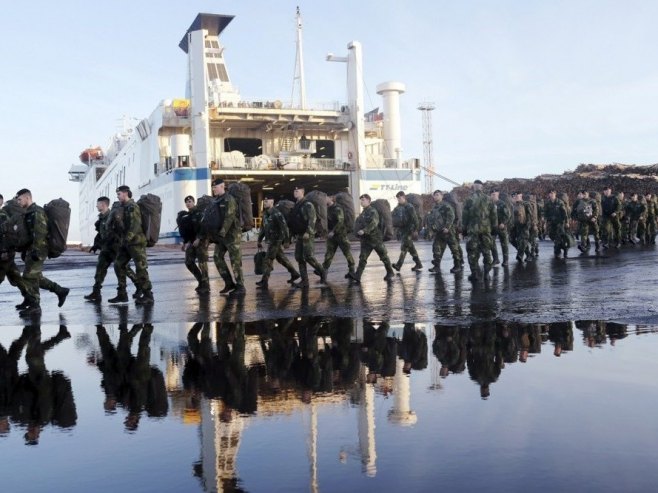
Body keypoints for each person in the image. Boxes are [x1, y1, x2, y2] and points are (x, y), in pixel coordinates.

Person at [14, 189, 69, 316]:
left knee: (29, 276)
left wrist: (36, 251)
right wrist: (25, 250)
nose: (18, 202)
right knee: (36, 277)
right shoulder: (29, 212)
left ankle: (35, 305)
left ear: (28, 198)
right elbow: (29, 234)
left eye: (20, 199)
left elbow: (40, 233)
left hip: (39, 249)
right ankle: (59, 291)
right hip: (32, 248)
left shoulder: (36, 211)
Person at [84, 196, 137, 302]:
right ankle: (96, 292)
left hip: (116, 248)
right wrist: (96, 245)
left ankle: (139, 287)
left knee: (125, 270)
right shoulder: (102, 217)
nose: (96, 206)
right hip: (105, 249)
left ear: (103, 205)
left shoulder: (113, 216)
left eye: (98, 204)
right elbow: (101, 233)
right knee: (100, 269)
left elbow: (117, 233)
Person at [197, 178, 245, 294]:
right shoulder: (215, 201)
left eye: (216, 187)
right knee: (217, 257)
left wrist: (222, 232)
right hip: (221, 236)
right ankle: (229, 283)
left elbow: (229, 217)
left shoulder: (229, 199)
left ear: (222, 186)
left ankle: (240, 286)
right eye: (213, 187)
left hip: (232, 235)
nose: (214, 189)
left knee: (235, 260)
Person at [110, 185, 153, 305]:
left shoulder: (132, 207)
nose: (118, 197)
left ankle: (148, 295)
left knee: (141, 268)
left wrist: (127, 238)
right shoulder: (123, 207)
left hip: (136, 242)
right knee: (118, 264)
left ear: (125, 193)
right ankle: (122, 294)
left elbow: (135, 225)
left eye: (119, 194)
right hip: (126, 243)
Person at [347, 194, 395, 283]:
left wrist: (364, 230)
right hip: (366, 240)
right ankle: (358, 275)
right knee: (363, 258)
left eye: (363, 200)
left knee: (384, 256)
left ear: (369, 201)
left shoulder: (372, 211)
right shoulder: (363, 213)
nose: (361, 202)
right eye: (361, 200)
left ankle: (390, 272)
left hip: (375, 239)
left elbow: (374, 223)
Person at [256, 196, 300, 289]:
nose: (265, 203)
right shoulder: (265, 214)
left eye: (267, 201)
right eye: (264, 201)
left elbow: (284, 227)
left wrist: (287, 241)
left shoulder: (277, 213)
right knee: (281, 259)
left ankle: (264, 281)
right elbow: (263, 228)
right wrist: (259, 240)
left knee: (268, 259)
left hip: (277, 240)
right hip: (270, 240)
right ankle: (294, 273)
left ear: (272, 202)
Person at [288, 186, 326, 288]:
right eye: (294, 191)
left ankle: (322, 271)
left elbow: (312, 219)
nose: (295, 192)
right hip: (299, 234)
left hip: (307, 235)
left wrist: (308, 232)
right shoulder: (296, 205)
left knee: (309, 256)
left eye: (297, 191)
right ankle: (305, 280)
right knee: (299, 257)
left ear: (302, 192)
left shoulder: (307, 204)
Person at [461, 180, 496, 281]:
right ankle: (486, 273)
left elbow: (465, 216)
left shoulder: (469, 199)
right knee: (487, 252)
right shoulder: (489, 199)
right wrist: (494, 228)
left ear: (474, 187)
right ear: (482, 187)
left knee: (472, 252)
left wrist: (464, 230)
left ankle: (475, 273)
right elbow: (494, 215)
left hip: (473, 230)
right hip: (486, 230)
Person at [177, 196, 209, 293]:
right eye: (186, 202)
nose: (188, 203)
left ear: (194, 202)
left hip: (201, 241)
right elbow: (188, 231)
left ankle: (206, 285)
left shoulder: (199, 213)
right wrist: (184, 242)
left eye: (190, 201)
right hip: (191, 241)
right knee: (188, 262)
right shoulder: (187, 216)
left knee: (202, 263)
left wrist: (199, 238)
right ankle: (200, 281)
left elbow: (204, 227)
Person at [426, 190, 462, 273]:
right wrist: (431, 230)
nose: (436, 197)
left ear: (441, 196)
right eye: (434, 195)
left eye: (437, 195)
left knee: (454, 249)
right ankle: (436, 266)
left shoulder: (446, 205)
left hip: (448, 232)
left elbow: (451, 216)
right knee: (436, 248)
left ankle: (457, 266)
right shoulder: (434, 207)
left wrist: (447, 227)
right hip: (439, 232)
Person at [322, 193, 355, 279]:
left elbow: (340, 221)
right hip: (332, 236)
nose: (324, 200)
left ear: (331, 198)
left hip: (341, 235)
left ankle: (352, 270)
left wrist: (333, 231)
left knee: (347, 253)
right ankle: (324, 271)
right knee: (329, 253)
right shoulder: (327, 209)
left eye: (325, 198)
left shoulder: (337, 208)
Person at [0, 206, 28, 301]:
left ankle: (32, 301)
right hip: (7, 254)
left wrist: (4, 251)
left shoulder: (3, 216)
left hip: (4, 254)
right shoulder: (6, 215)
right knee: (17, 277)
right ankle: (31, 300)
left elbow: (5, 235)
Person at [391, 191, 422, 271]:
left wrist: (415, 230)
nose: (399, 199)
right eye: (398, 198)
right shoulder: (397, 208)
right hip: (402, 230)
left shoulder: (409, 207)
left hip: (409, 230)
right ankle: (418, 264)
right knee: (411, 248)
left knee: (404, 247)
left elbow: (415, 219)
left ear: (404, 198)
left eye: (400, 198)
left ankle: (399, 265)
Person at [544, 189, 571, 258]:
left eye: (553, 193)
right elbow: (545, 213)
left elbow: (564, 213)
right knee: (551, 235)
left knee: (558, 237)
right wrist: (545, 222)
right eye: (550, 193)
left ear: (555, 194)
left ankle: (561, 249)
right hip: (552, 223)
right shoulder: (548, 203)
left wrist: (567, 222)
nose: (551, 195)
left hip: (560, 223)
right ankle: (561, 247)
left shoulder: (560, 202)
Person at [490, 189, 511, 266]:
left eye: (494, 194)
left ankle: (506, 260)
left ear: (498, 194)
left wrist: (503, 223)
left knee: (504, 244)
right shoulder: (490, 204)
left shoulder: (502, 204)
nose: (493, 195)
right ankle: (496, 259)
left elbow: (507, 215)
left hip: (501, 226)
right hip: (493, 227)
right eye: (492, 194)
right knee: (491, 243)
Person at [510, 192, 530, 262]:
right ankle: (526, 253)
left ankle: (520, 255)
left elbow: (530, 215)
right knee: (511, 239)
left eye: (517, 196)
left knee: (523, 240)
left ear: (521, 196)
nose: (516, 197)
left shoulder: (526, 204)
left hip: (523, 225)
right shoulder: (513, 205)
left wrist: (527, 225)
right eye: (515, 196)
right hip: (515, 226)